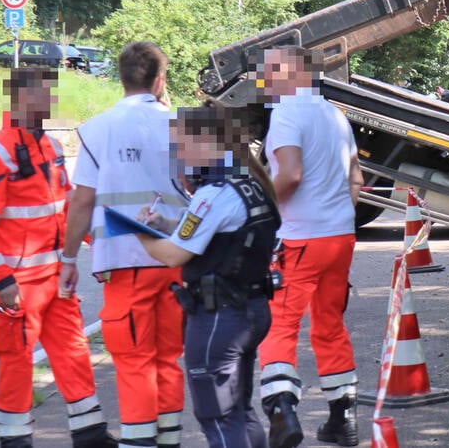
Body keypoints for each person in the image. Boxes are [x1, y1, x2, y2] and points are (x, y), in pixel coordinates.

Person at [0, 68, 116, 448]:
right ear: (20, 99)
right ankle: (15, 440)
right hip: (19, 286)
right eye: (43, 95)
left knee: (73, 352)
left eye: (51, 94)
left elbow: (69, 208)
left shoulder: (50, 147)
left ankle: (91, 435)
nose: (50, 102)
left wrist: (99, 249)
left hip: (57, 278)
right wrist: (1, 280)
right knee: (17, 362)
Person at [60, 42, 187, 448]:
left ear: (121, 77)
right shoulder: (182, 126)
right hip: (174, 261)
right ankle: (169, 440)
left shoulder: (98, 129)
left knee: (133, 361)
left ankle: (137, 442)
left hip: (122, 263)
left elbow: (82, 200)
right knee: (168, 359)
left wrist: (67, 257)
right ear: (160, 79)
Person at [134, 105, 280, 448]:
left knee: (218, 419)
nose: (177, 155)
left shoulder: (213, 194)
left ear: (203, 143)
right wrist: (164, 225)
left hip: (219, 318)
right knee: (241, 412)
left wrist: (140, 234)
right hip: (251, 309)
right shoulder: (249, 183)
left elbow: (173, 254)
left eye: (179, 145)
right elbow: (207, 231)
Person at [254, 46, 363, 448]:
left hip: (300, 238)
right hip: (340, 237)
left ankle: (282, 414)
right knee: (330, 323)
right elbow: (356, 178)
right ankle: (343, 418)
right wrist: (337, 214)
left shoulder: (286, 112)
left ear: (292, 73)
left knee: (280, 322)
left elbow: (291, 174)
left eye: (269, 73)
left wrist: (259, 203)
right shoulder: (336, 116)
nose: (264, 82)